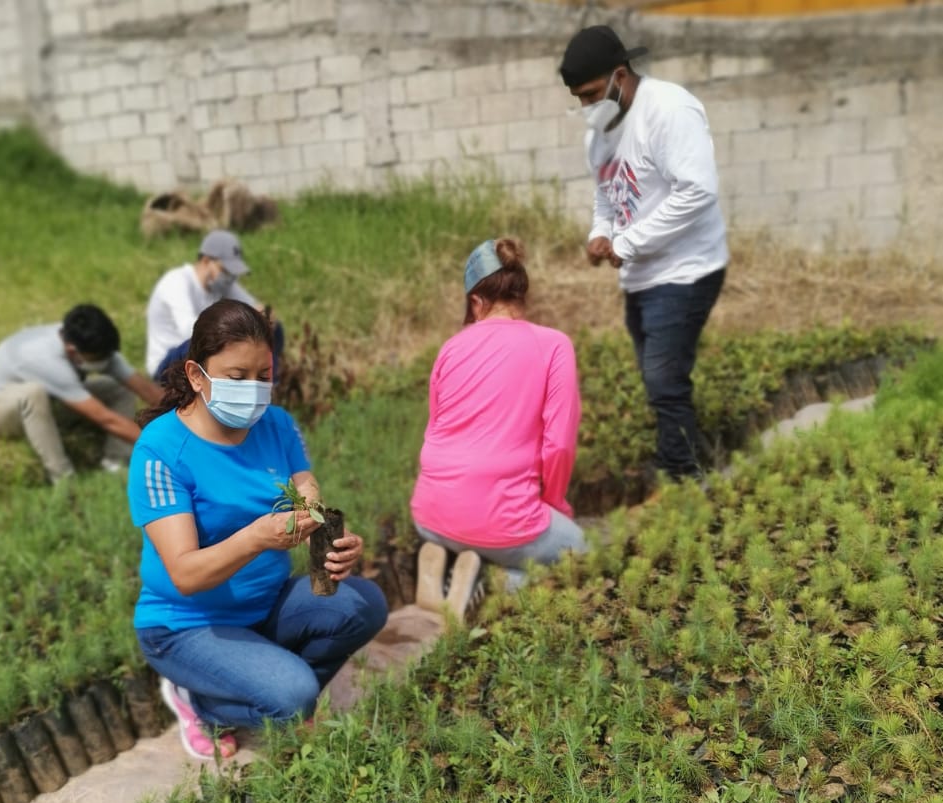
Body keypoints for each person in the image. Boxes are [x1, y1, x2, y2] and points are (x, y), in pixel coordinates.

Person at [127, 298, 386, 760]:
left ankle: (259, 679)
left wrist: (325, 532)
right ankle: (204, 700)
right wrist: (256, 537)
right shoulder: (161, 451)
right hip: (187, 625)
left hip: (262, 606)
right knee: (292, 694)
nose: (254, 389)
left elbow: (305, 483)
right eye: (236, 376)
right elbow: (185, 575)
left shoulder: (278, 424)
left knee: (365, 605)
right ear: (195, 376)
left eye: (263, 375)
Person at [559, 25, 729, 481]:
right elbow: (606, 197)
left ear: (620, 74)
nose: (586, 107)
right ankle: (691, 453)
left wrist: (627, 242)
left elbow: (697, 191)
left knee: (662, 377)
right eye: (578, 98)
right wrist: (601, 232)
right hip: (640, 274)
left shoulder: (668, 109)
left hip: (687, 267)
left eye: (592, 93)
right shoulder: (598, 137)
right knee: (660, 378)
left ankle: (682, 476)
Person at [410, 237, 585, 613]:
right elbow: (558, 444)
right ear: (523, 296)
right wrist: (552, 504)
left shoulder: (449, 349)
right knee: (581, 550)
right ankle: (493, 586)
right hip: (503, 522)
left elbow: (436, 429)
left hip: (429, 513)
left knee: (490, 534)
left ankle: (454, 568)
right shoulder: (554, 345)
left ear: (476, 301)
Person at [0, 304, 162, 483]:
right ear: (72, 351)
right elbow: (106, 419)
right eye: (99, 359)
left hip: (48, 405)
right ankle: (64, 480)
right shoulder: (46, 360)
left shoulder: (93, 343)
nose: (106, 362)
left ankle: (116, 462)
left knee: (118, 387)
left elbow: (145, 389)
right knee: (33, 394)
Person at [145, 228, 284, 383]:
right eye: (225, 271)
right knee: (205, 340)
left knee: (272, 327)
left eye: (233, 274)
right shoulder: (177, 282)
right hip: (169, 362)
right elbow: (190, 331)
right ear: (206, 261)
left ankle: (268, 381)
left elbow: (257, 308)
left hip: (205, 351)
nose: (230, 278)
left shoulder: (223, 285)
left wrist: (263, 316)